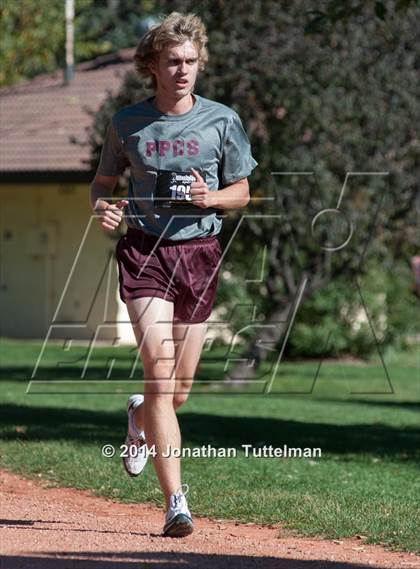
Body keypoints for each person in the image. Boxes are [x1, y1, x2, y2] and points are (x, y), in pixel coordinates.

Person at [89, 11, 258, 538]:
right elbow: (102, 185)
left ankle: (139, 417)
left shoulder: (222, 121)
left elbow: (244, 193)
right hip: (144, 253)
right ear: (152, 66)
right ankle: (176, 503)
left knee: (177, 390)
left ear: (198, 63)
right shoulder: (127, 124)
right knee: (160, 377)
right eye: (172, 62)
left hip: (199, 255)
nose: (183, 70)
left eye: (190, 61)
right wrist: (105, 210)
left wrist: (214, 196)